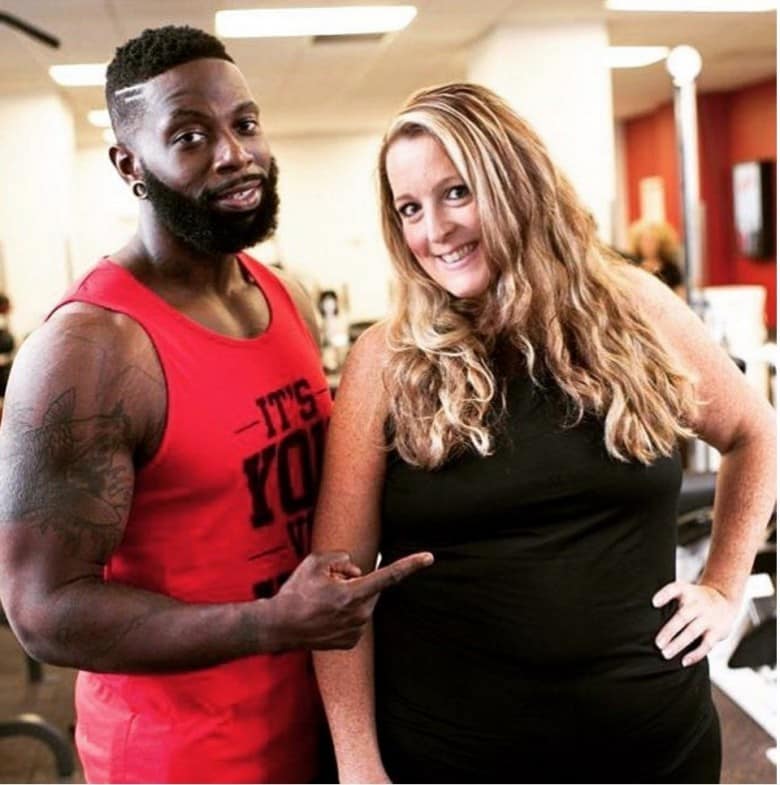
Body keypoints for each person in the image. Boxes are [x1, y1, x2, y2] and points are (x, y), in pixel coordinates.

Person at [0, 26, 431, 784]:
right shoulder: (92, 348)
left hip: (312, 729)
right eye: (191, 136)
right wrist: (270, 624)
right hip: (182, 758)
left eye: (245, 123)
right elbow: (42, 612)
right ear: (130, 164)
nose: (235, 154)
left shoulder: (284, 295)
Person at [312, 83, 776, 784]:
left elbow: (754, 431)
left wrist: (723, 583)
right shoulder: (386, 361)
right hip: (453, 758)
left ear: (515, 182)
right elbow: (338, 588)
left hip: (653, 748)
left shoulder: (633, 311)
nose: (435, 230)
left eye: (457, 192)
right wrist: (357, 763)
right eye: (410, 208)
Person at [627, 218, 684, 294]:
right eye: (644, 240)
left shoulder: (671, 269)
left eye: (653, 240)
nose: (648, 245)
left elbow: (680, 293)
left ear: (661, 243)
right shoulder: (632, 266)